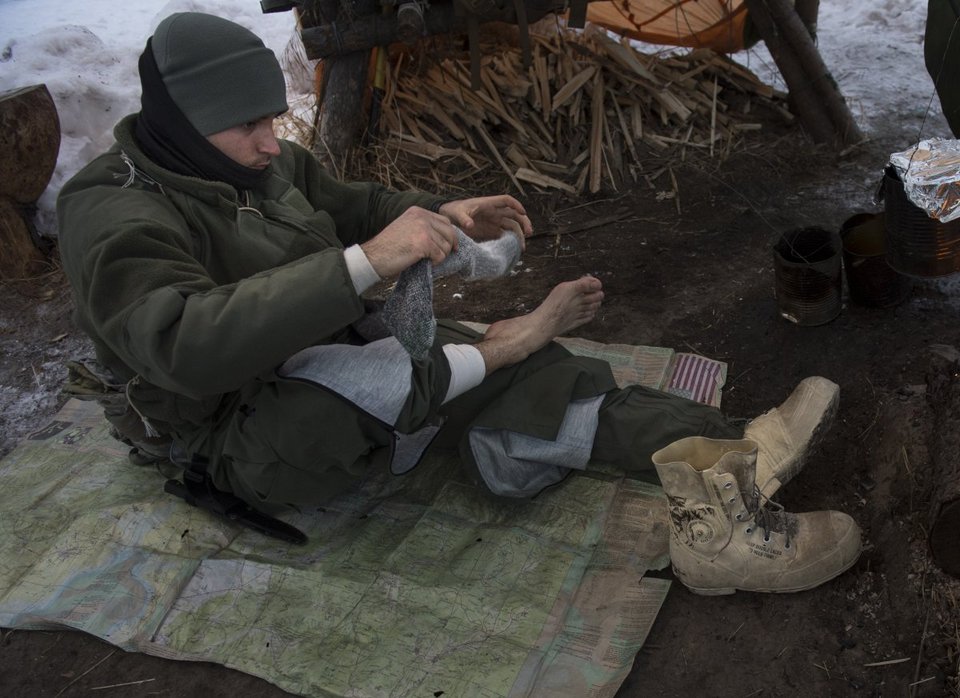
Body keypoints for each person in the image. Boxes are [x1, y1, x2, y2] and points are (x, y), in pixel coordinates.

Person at [57, 11, 860, 595]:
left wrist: (442, 213)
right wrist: (366, 266)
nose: (272, 142)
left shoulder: (255, 165)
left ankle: (725, 467)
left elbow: (348, 201)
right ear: (182, 125)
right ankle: (455, 388)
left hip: (319, 346)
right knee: (427, 372)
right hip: (234, 434)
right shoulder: (115, 215)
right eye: (248, 128)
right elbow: (187, 347)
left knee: (518, 362)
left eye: (273, 119)